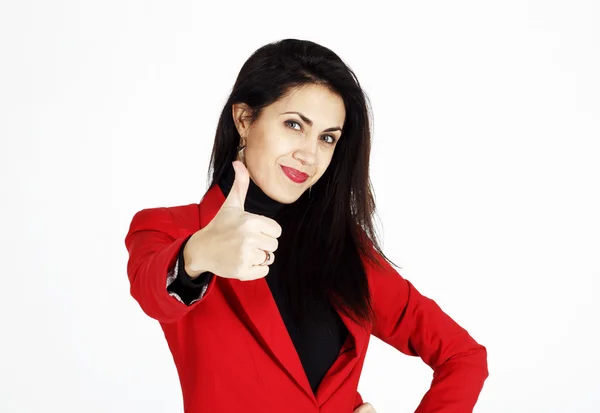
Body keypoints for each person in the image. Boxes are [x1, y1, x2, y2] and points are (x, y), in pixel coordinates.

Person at [124, 38, 488, 413]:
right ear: (244, 118)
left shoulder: (343, 248)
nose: (309, 154)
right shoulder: (169, 228)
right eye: (294, 125)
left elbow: (463, 356)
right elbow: (153, 292)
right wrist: (197, 254)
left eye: (327, 137)